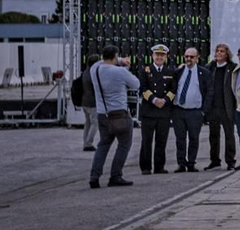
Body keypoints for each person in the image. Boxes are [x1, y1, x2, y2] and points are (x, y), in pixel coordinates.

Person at [88, 46, 140, 188]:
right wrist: (123, 63)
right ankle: (115, 176)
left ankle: (94, 176)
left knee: (103, 145)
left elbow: (100, 63)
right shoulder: (120, 71)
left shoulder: (95, 70)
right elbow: (136, 84)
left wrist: (118, 59)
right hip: (119, 115)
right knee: (124, 145)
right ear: (115, 56)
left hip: (102, 115)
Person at [138, 44, 178, 174]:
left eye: (162, 55)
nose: (159, 57)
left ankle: (159, 166)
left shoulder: (170, 72)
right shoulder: (145, 70)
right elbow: (143, 88)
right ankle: (146, 167)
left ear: (166, 57)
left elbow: (173, 90)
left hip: (164, 111)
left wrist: (165, 100)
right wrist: (154, 100)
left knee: (161, 140)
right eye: (157, 55)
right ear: (152, 56)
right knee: (146, 141)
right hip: (149, 111)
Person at [171, 47, 207, 172]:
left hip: (195, 111)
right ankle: (181, 163)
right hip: (179, 110)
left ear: (197, 58)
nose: (188, 59)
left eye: (191, 57)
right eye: (186, 56)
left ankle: (191, 162)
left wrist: (204, 111)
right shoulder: (178, 72)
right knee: (180, 139)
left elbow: (209, 92)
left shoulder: (203, 72)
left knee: (193, 138)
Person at [205, 44, 238, 170]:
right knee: (213, 135)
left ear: (227, 54)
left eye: (222, 51)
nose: (219, 53)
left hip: (226, 107)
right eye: (217, 51)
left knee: (229, 135)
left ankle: (230, 160)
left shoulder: (232, 68)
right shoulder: (210, 67)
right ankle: (215, 160)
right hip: (213, 107)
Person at [74, 65, 98, 151]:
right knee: (95, 123)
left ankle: (85, 142)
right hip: (92, 102)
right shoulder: (93, 74)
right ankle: (88, 143)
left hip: (84, 101)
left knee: (88, 123)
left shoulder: (84, 73)